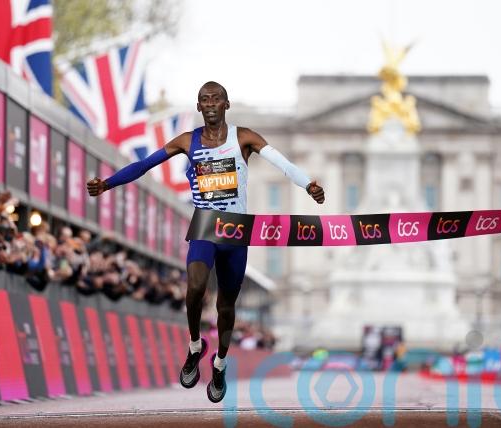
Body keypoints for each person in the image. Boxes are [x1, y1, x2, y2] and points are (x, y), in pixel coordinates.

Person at [87, 81, 325, 402]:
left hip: (236, 232)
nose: (210, 103)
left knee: (226, 306)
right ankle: (195, 345)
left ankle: (220, 363)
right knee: (196, 286)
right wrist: (107, 183)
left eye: (216, 98)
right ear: (199, 107)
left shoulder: (244, 137)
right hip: (205, 226)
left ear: (226, 104)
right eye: (204, 99)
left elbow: (282, 164)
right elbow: (144, 165)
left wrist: (308, 184)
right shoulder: (188, 141)